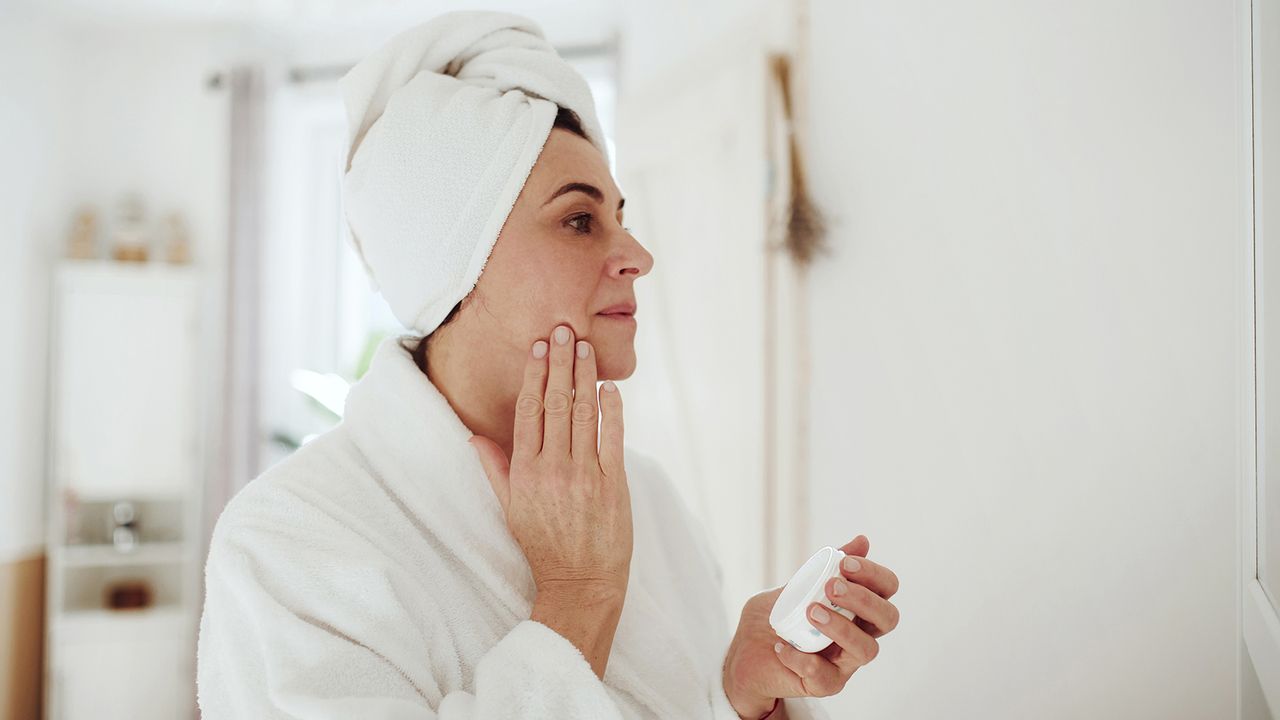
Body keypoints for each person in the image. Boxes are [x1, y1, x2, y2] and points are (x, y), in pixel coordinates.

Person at [196, 10, 899, 720]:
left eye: (619, 216)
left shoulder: (645, 498)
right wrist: (577, 597)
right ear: (457, 268)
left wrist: (744, 697)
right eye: (579, 220)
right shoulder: (290, 540)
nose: (637, 256)